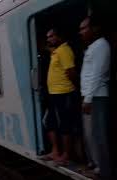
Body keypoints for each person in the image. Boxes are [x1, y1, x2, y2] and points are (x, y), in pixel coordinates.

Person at [79, 16, 112, 179]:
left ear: (95, 28)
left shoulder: (101, 45)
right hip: (91, 96)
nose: (81, 32)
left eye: (84, 28)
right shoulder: (93, 46)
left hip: (96, 97)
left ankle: (104, 172)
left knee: (99, 136)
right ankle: (97, 167)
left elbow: (97, 75)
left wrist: (88, 99)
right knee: (92, 134)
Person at [42, 28, 77, 165]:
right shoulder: (56, 51)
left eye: (51, 36)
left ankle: (66, 155)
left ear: (59, 36)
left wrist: (75, 89)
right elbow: (47, 48)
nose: (49, 39)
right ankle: (55, 151)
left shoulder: (64, 50)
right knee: (49, 121)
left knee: (65, 124)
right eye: (48, 37)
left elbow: (71, 72)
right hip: (54, 94)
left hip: (64, 93)